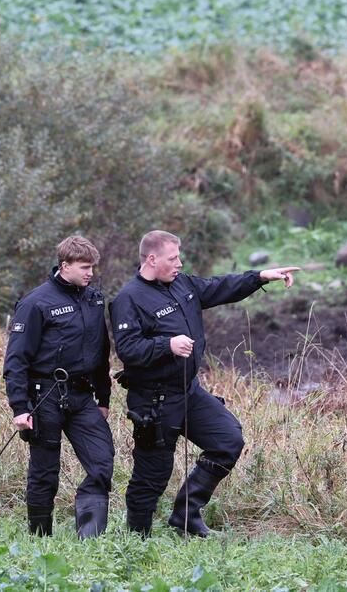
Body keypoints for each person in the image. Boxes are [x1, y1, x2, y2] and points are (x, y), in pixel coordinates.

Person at [110, 230, 299, 537]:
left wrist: (261, 277)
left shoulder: (182, 284)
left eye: (179, 257)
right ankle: (136, 539)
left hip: (188, 392)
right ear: (152, 259)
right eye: (173, 258)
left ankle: (186, 516)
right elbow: (127, 349)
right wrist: (166, 345)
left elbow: (220, 286)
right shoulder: (128, 299)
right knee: (153, 474)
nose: (179, 263)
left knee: (227, 441)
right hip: (154, 401)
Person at [3, 235, 113, 538]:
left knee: (102, 461)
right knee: (44, 473)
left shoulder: (94, 299)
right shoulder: (36, 302)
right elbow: (16, 360)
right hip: (44, 396)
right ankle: (40, 537)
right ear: (64, 266)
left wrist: (103, 397)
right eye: (84, 267)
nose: (90, 273)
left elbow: (101, 351)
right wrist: (20, 407)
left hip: (82, 396)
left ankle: (89, 536)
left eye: (92, 267)